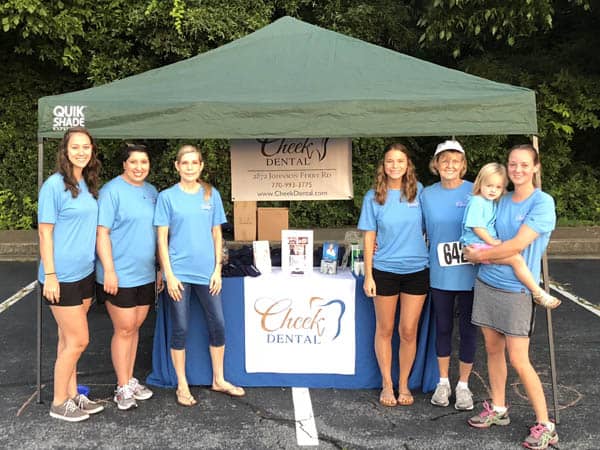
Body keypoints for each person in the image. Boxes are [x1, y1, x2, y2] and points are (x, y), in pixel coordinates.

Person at [463, 144, 559, 450]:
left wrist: (479, 255)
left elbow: (517, 246)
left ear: (536, 168)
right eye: (513, 164)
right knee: (493, 350)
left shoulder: (542, 203)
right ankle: (499, 409)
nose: (517, 169)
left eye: (524, 165)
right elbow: (476, 231)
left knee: (519, 359)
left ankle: (546, 425)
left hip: (516, 289)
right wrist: (474, 254)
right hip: (487, 283)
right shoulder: (499, 198)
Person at [154, 144, 245, 406]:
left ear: (201, 166)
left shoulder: (210, 194)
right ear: (177, 166)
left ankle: (219, 379)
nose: (190, 167)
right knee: (180, 327)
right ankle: (182, 384)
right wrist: (168, 274)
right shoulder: (167, 197)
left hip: (207, 273)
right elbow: (162, 239)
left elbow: (217, 234)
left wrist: (217, 268)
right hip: (179, 273)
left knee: (218, 324)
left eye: (195, 163)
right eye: (185, 163)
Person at [38, 126, 104, 422]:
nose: (81, 151)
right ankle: (58, 402)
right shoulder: (54, 186)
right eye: (75, 147)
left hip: (84, 273)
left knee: (67, 339)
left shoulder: (88, 183)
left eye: (86, 147)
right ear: (65, 151)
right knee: (78, 340)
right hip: (61, 276)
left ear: (92, 151)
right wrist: (50, 274)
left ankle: (74, 394)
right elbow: (45, 232)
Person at [358, 142, 429, 407]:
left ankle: (404, 384)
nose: (395, 166)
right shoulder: (373, 196)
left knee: (408, 331)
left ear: (407, 164)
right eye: (390, 161)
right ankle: (387, 384)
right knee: (385, 330)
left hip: (417, 271)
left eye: (400, 161)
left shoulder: (419, 193)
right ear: (383, 165)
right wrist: (368, 275)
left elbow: (434, 226)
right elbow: (369, 237)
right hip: (384, 270)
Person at [96, 143, 160, 411]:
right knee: (123, 329)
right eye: (133, 162)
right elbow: (102, 233)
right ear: (124, 164)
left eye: (143, 162)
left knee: (134, 327)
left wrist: (158, 268)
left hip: (145, 273)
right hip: (118, 275)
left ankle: (130, 379)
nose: (139, 167)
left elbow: (158, 233)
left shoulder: (152, 192)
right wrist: (109, 270)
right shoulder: (111, 191)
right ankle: (122, 387)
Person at [420, 140, 478, 411]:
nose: (450, 165)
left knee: (468, 330)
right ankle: (443, 382)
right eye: (444, 161)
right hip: (441, 273)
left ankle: (463, 386)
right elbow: (416, 230)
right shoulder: (426, 195)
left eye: (455, 161)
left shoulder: (476, 192)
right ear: (436, 165)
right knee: (443, 327)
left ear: (463, 165)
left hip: (471, 273)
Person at [461, 162, 561, 309]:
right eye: (489, 186)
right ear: (480, 183)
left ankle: (537, 291)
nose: (493, 190)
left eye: (498, 187)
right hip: (476, 244)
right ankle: (537, 292)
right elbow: (477, 226)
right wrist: (493, 242)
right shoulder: (477, 201)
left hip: (483, 244)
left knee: (515, 259)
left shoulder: (492, 201)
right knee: (516, 259)